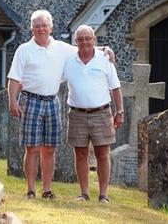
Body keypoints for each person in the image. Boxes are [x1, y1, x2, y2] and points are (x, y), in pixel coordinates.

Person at [7, 10, 115, 199]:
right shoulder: (23, 49)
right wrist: (13, 101)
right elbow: (14, 78)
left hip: (52, 101)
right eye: (37, 26)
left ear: (51, 27)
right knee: (31, 148)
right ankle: (31, 190)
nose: (41, 28)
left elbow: (86, 48)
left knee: (49, 148)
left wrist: (106, 49)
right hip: (30, 100)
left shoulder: (61, 48)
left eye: (44, 25)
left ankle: (47, 190)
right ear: (32, 28)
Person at [62, 25, 124, 203]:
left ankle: (103, 195)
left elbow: (116, 87)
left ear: (94, 40)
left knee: (103, 154)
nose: (84, 42)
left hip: (101, 113)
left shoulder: (105, 59)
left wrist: (120, 112)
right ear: (76, 42)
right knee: (80, 154)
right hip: (77, 114)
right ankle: (84, 193)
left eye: (88, 38)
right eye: (80, 39)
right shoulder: (69, 60)